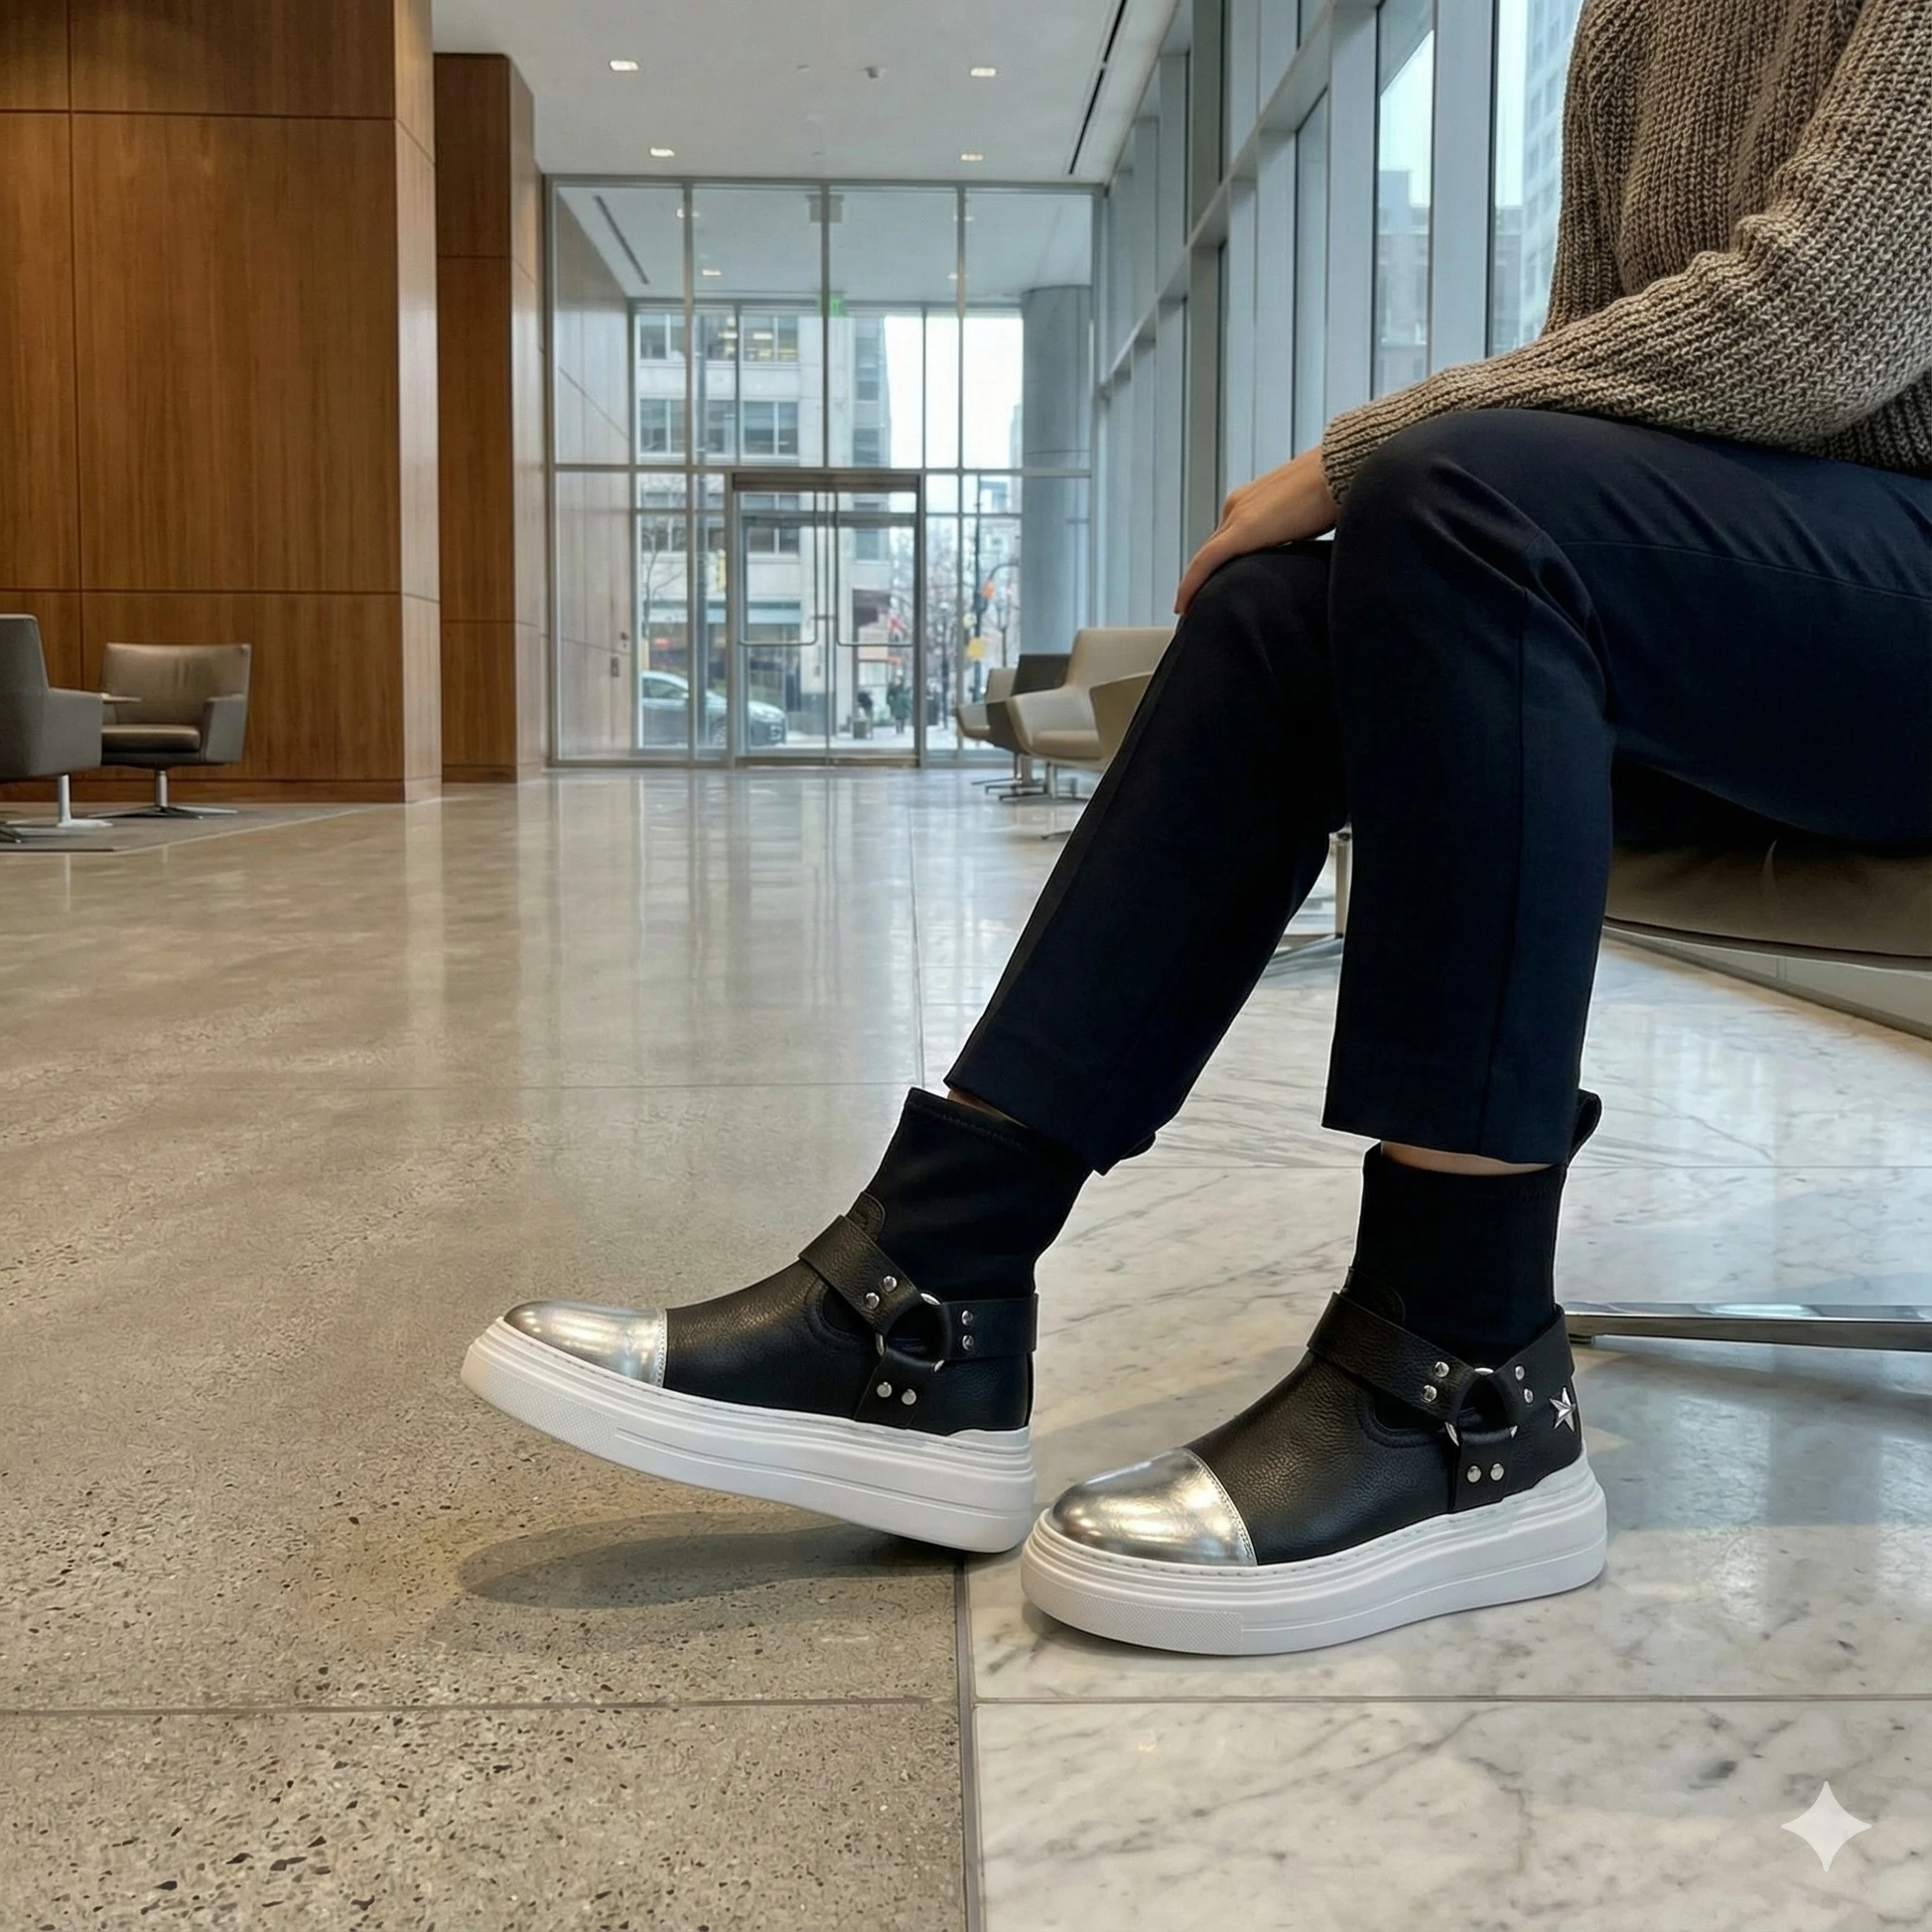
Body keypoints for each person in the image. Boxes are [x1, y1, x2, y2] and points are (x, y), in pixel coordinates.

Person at [464, 0, 1932, 1657]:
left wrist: (1364, 450)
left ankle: (1464, 1368)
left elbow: (1830, 321)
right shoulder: (1630, 19)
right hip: (1759, 627)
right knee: (1279, 609)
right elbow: (1604, 378)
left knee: (1460, 492)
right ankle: (937, 1283)